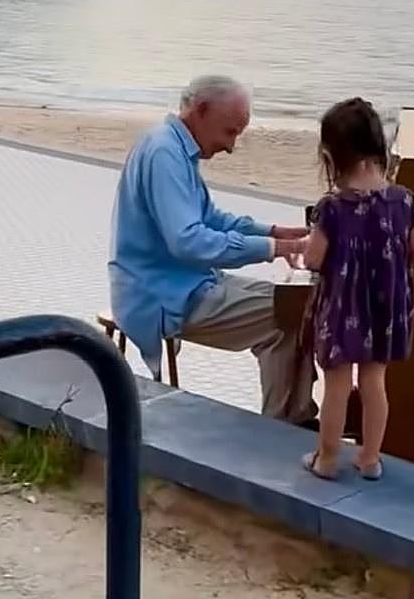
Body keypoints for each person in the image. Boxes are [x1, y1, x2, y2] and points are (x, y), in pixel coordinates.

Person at [108, 75, 317, 425]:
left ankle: (295, 420)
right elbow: (189, 241)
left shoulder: (173, 147)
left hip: (184, 283)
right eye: (229, 132)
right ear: (201, 110)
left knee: (296, 306)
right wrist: (276, 247)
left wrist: (274, 233)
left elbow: (211, 218)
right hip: (160, 296)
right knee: (286, 318)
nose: (231, 146)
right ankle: (282, 431)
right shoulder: (164, 153)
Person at [300, 98, 414, 480]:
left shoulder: (333, 207)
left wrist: (307, 248)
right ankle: (369, 459)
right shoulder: (405, 200)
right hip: (385, 308)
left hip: (342, 308)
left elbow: (314, 259)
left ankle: (326, 460)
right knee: (374, 382)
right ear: (379, 148)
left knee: (337, 385)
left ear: (331, 156)